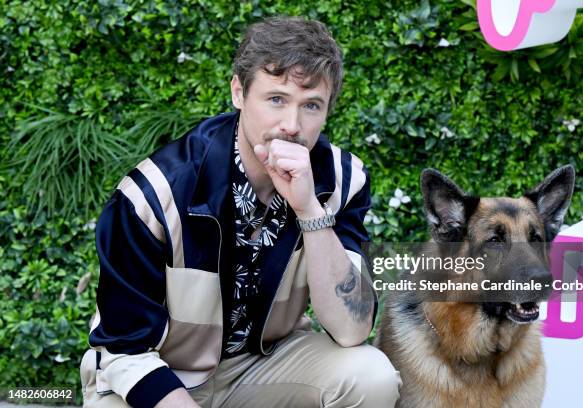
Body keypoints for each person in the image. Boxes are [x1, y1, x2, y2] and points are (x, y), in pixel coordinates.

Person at [80, 16, 401, 408]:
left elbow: (352, 329)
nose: (291, 126)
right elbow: (123, 349)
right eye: (276, 99)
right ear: (238, 92)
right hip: (152, 375)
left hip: (260, 366)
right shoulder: (154, 194)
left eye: (311, 105)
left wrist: (308, 209)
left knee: (371, 377)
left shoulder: (341, 181)